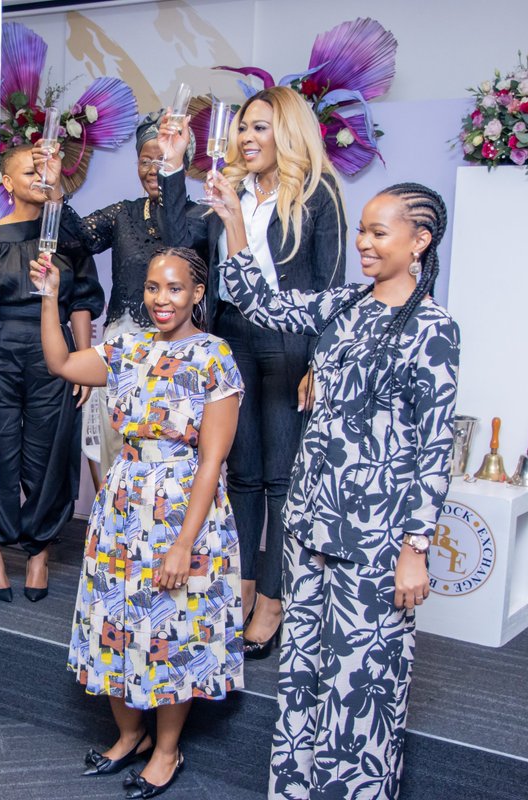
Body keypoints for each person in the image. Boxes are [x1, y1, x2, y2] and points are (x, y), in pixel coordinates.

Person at [217, 183, 459, 799]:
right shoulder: (347, 304)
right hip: (311, 520)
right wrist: (236, 223)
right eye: (363, 230)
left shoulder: (435, 329)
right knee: (302, 672)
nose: (364, 242)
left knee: (362, 682)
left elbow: (434, 448)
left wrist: (416, 547)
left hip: (377, 538)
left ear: (420, 241)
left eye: (380, 232)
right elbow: (262, 307)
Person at [33, 246, 244, 798]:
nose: (161, 299)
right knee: (116, 620)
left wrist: (182, 545)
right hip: (123, 503)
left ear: (198, 294)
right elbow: (61, 364)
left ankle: (167, 750)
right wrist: (50, 297)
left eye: (175, 288)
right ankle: (130, 735)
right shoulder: (128, 346)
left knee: (171, 631)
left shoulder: (214, 355)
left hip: (182, 510)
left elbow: (212, 461)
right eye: (153, 288)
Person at [157, 86, 347, 659]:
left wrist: (320, 358)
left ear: (287, 132)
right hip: (232, 337)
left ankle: (273, 597)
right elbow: (180, 242)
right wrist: (172, 166)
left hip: (290, 342)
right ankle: (237, 587)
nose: (247, 137)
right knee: (239, 477)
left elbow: (331, 288)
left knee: (281, 480)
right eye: (243, 128)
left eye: (260, 127)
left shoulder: (318, 195)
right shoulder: (230, 190)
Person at [0, 146, 104, 603]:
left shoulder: (66, 235)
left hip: (54, 350)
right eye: (28, 170)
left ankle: (39, 550)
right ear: (7, 184)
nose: (38, 175)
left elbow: (83, 299)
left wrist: (83, 359)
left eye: (43, 169)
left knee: (49, 452)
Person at [62, 111, 206, 477]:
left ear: (181, 163)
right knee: (117, 447)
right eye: (145, 160)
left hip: (177, 352)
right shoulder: (123, 215)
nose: (152, 168)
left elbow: (184, 251)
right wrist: (55, 192)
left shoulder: (201, 217)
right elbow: (77, 237)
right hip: (123, 350)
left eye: (163, 159)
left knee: (169, 448)